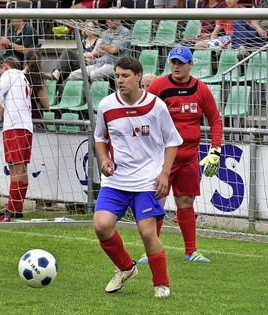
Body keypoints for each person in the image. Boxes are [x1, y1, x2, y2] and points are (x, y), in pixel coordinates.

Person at [93, 56, 182, 298]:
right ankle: (125, 268)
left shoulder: (156, 106)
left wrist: (164, 174)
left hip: (146, 180)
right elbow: (100, 137)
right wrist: (103, 159)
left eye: (125, 76)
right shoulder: (107, 105)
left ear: (138, 76)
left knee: (146, 232)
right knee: (101, 226)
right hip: (116, 180)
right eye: (117, 76)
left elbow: (172, 141)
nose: (119, 80)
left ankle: (161, 284)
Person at [143, 45, 223, 264]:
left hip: (189, 156)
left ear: (191, 64)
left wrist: (215, 148)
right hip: (162, 157)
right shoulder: (159, 86)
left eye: (180, 62)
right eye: (173, 62)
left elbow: (215, 119)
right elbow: (144, 115)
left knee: (186, 201)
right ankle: (150, 250)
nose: (176, 66)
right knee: (156, 201)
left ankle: (191, 251)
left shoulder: (201, 89)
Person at [0, 57, 34, 222]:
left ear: (4, 66)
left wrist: (0, 111)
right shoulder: (23, 78)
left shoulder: (9, 74)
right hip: (25, 126)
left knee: (15, 168)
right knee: (21, 168)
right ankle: (16, 207)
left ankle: (12, 209)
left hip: (15, 126)